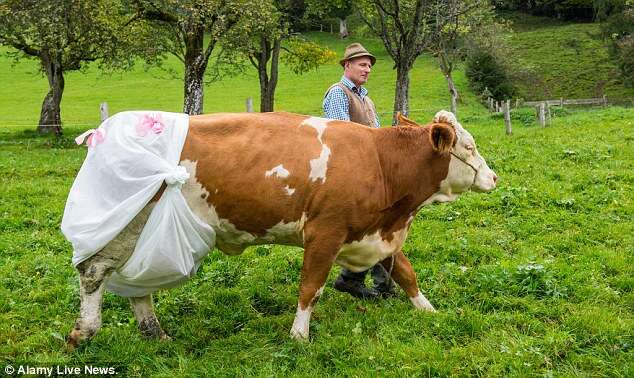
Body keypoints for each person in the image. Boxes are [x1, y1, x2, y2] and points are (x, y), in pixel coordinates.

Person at [322, 43, 396, 299]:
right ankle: (370, 282)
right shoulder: (337, 93)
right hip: (347, 173)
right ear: (347, 65)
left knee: (374, 225)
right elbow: (341, 138)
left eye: (369, 66)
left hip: (369, 171)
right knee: (371, 225)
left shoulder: (366, 98)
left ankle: (357, 280)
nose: (367, 69)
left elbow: (376, 136)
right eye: (362, 64)